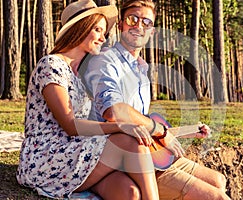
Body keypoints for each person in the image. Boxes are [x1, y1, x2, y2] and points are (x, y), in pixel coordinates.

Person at [83, 0, 232, 199]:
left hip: (146, 150)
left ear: (151, 32)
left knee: (218, 181)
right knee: (216, 197)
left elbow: (143, 126)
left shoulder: (142, 71)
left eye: (146, 22)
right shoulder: (105, 60)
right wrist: (160, 130)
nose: (138, 26)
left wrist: (188, 131)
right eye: (132, 19)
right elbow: (113, 112)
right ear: (120, 25)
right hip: (121, 158)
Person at [16, 0, 160, 199]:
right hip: (47, 158)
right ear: (80, 29)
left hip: (77, 154)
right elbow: (70, 126)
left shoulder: (78, 76)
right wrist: (120, 126)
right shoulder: (51, 65)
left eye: (104, 32)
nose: (103, 38)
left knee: (130, 193)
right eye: (98, 30)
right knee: (131, 142)